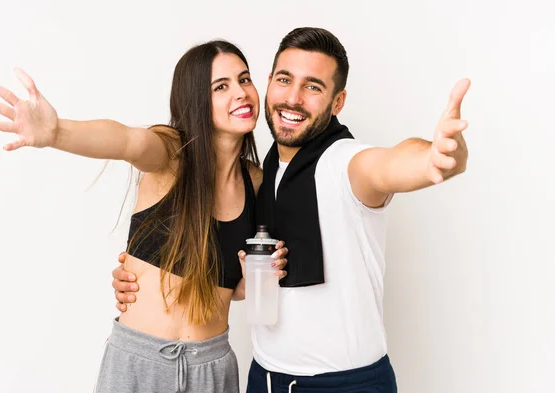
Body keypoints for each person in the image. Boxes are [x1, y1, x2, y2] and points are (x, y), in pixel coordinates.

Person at [114, 27, 470, 393]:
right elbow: (226, 266)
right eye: (285, 80)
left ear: (337, 102)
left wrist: (436, 158)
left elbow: (388, 164)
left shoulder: (343, 161)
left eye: (313, 86)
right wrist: (146, 276)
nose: (294, 98)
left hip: (345, 385)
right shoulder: (258, 177)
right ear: (268, 84)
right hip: (265, 378)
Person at [0, 40, 288, 393]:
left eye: (244, 80)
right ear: (196, 99)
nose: (241, 94)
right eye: (221, 87)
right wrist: (57, 132)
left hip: (212, 367)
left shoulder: (257, 182)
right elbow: (127, 141)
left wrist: (249, 281)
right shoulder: (171, 153)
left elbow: (233, 288)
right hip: (140, 362)